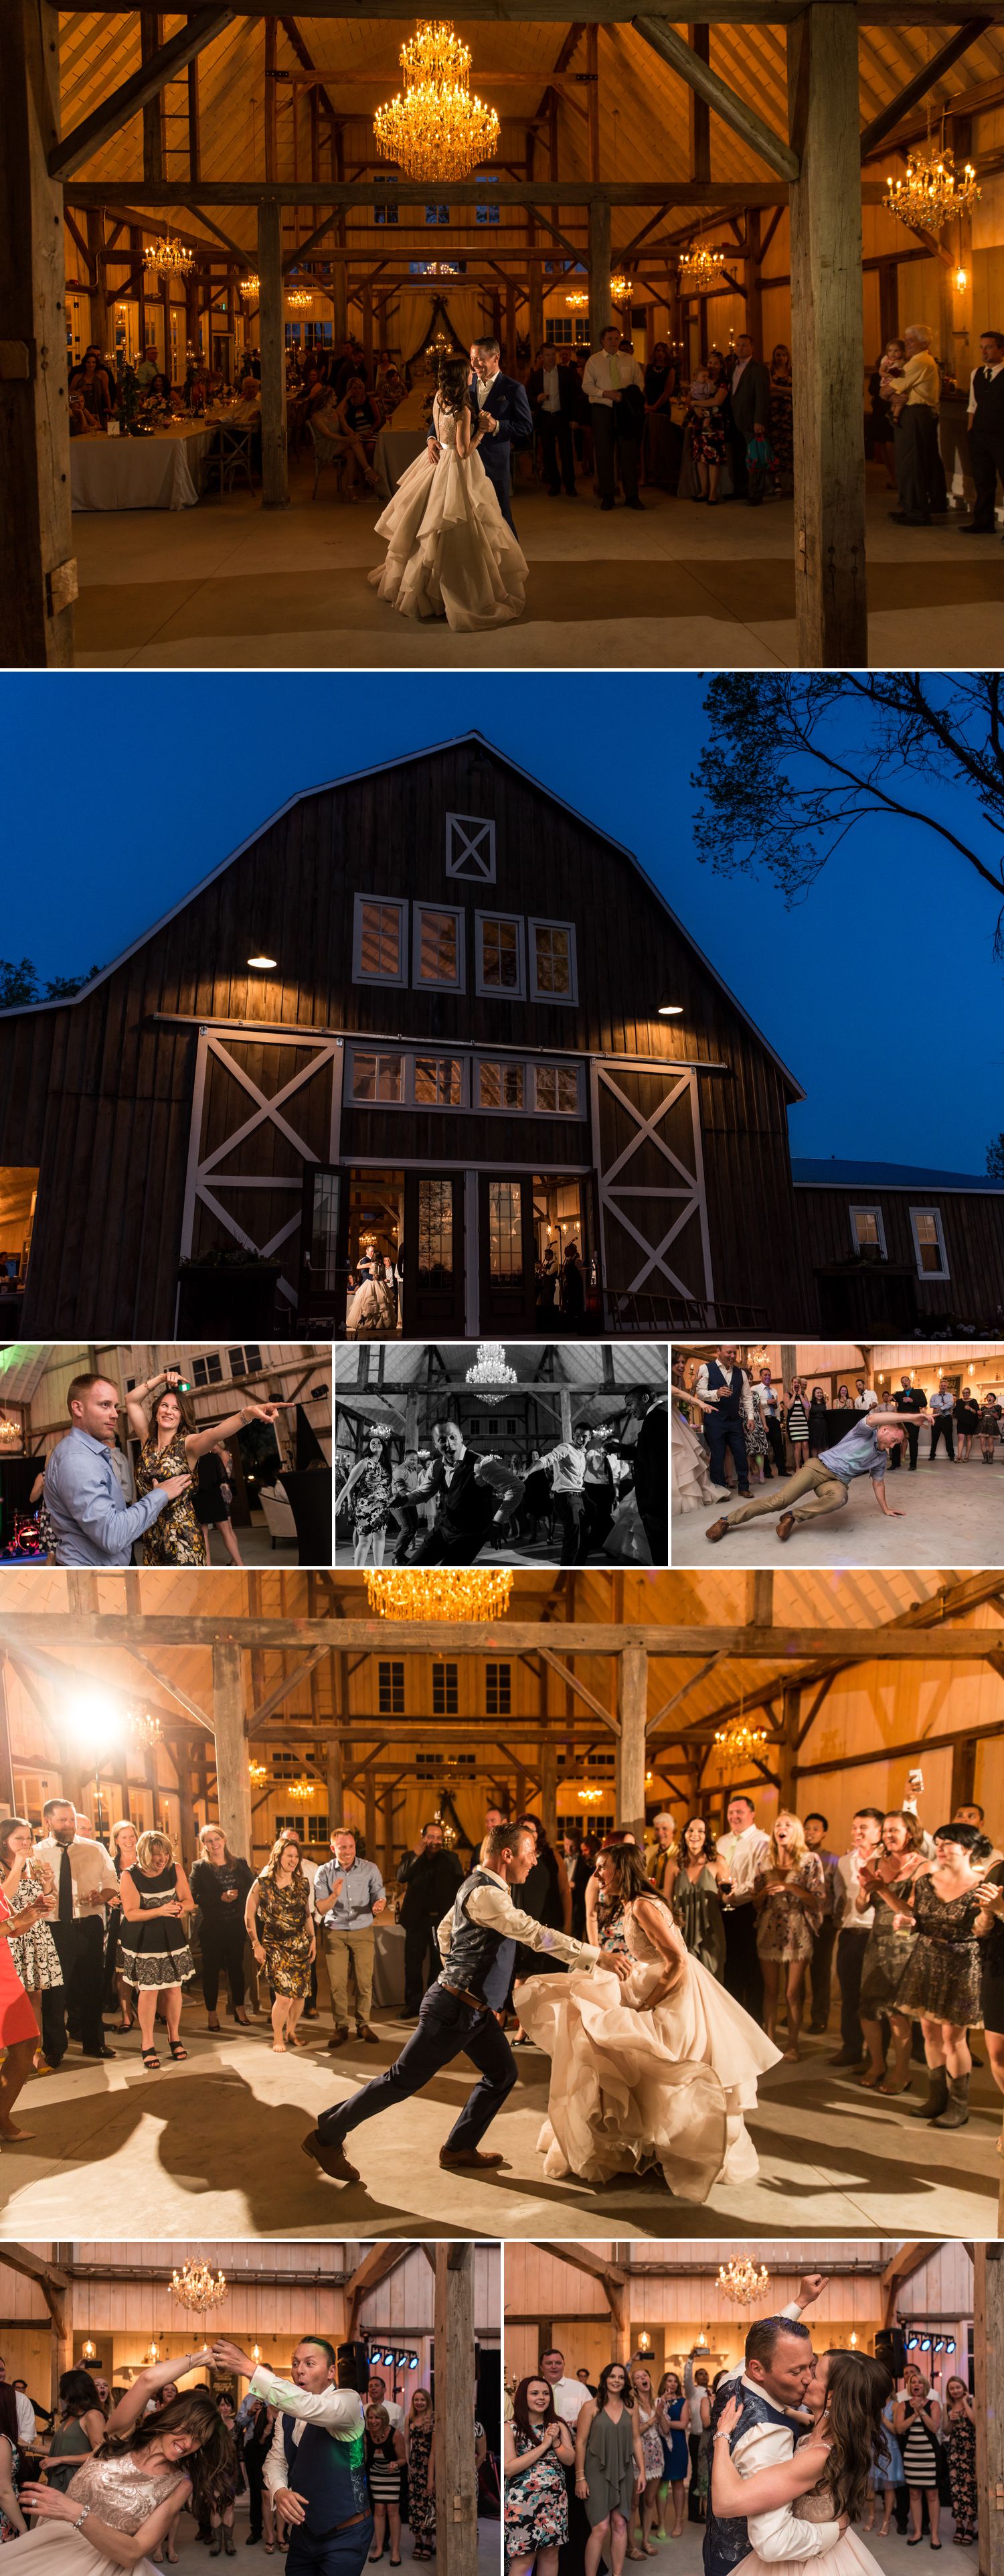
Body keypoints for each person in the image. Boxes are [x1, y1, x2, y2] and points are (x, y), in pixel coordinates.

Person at [301, 1819, 629, 2184]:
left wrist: (462, 1975)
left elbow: (444, 1931)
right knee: (401, 2081)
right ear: (508, 1854)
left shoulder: (478, 1885)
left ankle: (459, 2147)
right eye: (530, 1854)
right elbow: (535, 1934)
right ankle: (327, 2136)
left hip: (472, 2009)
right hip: (454, 2010)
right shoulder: (488, 1893)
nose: (534, 1862)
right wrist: (595, 1956)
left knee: (503, 2074)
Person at [515, 1837, 780, 2198]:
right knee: (604, 2033)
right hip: (650, 1978)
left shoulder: (642, 1906)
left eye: (602, 1867)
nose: (597, 1874)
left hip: (672, 1990)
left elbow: (677, 1961)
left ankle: (657, 2146)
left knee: (642, 2057)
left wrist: (649, 2005)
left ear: (620, 1870)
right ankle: (642, 2146)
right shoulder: (634, 1903)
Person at [9, 2349, 230, 2573]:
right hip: (52, 2542)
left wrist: (76, 2514)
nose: (188, 2443)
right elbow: (147, 2381)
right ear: (173, 2417)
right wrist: (200, 2359)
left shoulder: (180, 2485)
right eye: (188, 2430)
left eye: (198, 2439)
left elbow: (134, 2552)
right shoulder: (121, 2435)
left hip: (101, 2565)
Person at [370, 350, 527, 633]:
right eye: (469, 370)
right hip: (456, 466)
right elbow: (465, 451)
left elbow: (440, 428)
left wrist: (435, 441)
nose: (473, 372)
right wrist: (480, 429)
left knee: (429, 525)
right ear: (462, 377)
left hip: (438, 463)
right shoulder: (463, 410)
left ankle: (427, 589)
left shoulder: (439, 398)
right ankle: (460, 591)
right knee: (460, 524)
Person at [709, 2344, 892, 2576]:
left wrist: (722, 2436)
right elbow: (739, 2374)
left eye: (815, 2374)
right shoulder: (827, 2434)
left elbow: (726, 2502)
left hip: (806, 2563)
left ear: (831, 2398)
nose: (806, 2378)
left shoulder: (818, 2457)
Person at [210, 2336, 372, 2576]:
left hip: (346, 2533)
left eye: (309, 2364)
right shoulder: (287, 2415)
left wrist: (249, 2368)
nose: (299, 2371)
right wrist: (280, 2491)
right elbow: (276, 2460)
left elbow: (312, 2408)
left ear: (331, 2371)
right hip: (304, 2532)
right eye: (296, 2364)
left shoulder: (349, 2402)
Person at [872, 1818, 993, 2125]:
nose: (939, 1849)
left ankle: (958, 2105)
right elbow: (918, 1920)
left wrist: (990, 1914)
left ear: (967, 1849)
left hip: (962, 1964)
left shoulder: (982, 1888)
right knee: (929, 2033)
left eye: (947, 1844)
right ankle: (936, 2097)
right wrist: (909, 1924)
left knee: (954, 2038)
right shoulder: (926, 1881)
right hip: (926, 1960)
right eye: (937, 1844)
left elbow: (983, 1932)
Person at [704, 1405, 936, 1542]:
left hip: (836, 1483)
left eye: (897, 1444)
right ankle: (726, 1521)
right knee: (779, 1500)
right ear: (885, 1430)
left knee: (839, 1497)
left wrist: (886, 1508)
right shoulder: (864, 1432)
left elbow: (878, 1484)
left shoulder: (879, 1458)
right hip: (818, 1468)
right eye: (894, 1440)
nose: (894, 1446)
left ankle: (792, 1517)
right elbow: (874, 1417)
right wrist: (910, 1417)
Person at [127, 1369, 286, 1569]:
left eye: (176, 1408)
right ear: (157, 1414)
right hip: (152, 1537)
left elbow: (215, 1433)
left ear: (182, 1417)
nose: (169, 1411)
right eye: (165, 1406)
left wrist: (248, 1414)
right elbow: (131, 1401)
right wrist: (161, 1379)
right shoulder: (146, 1441)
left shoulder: (188, 1445)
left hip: (183, 1538)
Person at [43, 1373, 189, 1568]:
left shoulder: (91, 1451)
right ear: (78, 1408)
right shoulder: (77, 1460)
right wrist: (160, 1494)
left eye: (115, 1406)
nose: (115, 1414)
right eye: (105, 1405)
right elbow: (112, 1535)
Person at [35, 1797, 117, 2070]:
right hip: (54, 1928)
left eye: (71, 1819)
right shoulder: (36, 1854)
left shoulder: (95, 1849)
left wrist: (100, 1897)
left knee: (93, 1987)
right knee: (56, 1993)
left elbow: (111, 1884)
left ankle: (95, 2043)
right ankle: (55, 2049)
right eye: (62, 1820)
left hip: (90, 1926)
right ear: (48, 1821)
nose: (69, 1825)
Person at [854, 1809, 926, 2093]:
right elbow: (860, 1908)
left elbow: (910, 1911)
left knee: (899, 2013)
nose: (888, 1835)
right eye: (885, 1830)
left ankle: (902, 2071)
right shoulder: (874, 1862)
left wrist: (882, 1889)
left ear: (911, 1832)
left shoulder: (923, 1867)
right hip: (877, 1942)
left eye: (894, 1830)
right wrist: (863, 1891)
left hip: (906, 1945)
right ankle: (877, 2064)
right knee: (868, 2010)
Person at [118, 1828, 195, 2074]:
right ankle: (148, 2043)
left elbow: (189, 1901)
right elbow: (131, 1913)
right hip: (144, 1939)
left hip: (171, 1936)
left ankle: (175, 2037)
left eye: (165, 1853)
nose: (161, 1859)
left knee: (174, 1990)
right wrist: (160, 1910)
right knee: (149, 1992)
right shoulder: (129, 1876)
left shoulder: (175, 1870)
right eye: (155, 1854)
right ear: (143, 1853)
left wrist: (182, 1909)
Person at [752, 1815, 825, 2058]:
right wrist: (763, 1892)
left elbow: (818, 1900)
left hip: (797, 1930)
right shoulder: (764, 1862)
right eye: (778, 1826)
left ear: (796, 1831)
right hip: (769, 1929)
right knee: (769, 1990)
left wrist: (791, 1887)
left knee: (792, 1992)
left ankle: (793, 2045)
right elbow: (756, 1903)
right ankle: (769, 2045)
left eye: (787, 1825)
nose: (782, 1829)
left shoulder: (809, 1860)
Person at [313, 1828, 386, 2048]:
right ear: (333, 1848)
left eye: (351, 1847)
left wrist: (379, 1904)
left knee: (365, 1982)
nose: (347, 1851)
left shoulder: (369, 1869)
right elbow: (320, 1907)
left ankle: (363, 2024)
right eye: (342, 1847)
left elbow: (379, 1894)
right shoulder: (324, 1872)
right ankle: (341, 2027)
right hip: (335, 1932)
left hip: (363, 1931)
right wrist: (335, 1894)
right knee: (338, 1984)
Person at [574, 2365, 646, 2576]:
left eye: (621, 2377)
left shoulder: (630, 2407)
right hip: (596, 2472)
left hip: (624, 2471)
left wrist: (641, 2471)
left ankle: (617, 2574)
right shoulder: (590, 2407)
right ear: (604, 2379)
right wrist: (580, 2477)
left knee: (620, 2524)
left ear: (625, 2382)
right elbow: (580, 2443)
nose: (617, 2380)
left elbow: (635, 2439)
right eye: (612, 2376)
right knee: (600, 2527)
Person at [831, 1807, 886, 2069]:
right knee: (849, 1995)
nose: (857, 1832)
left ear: (879, 1831)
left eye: (864, 1827)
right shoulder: (845, 1861)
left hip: (878, 1934)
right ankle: (851, 2048)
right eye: (854, 1827)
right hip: (851, 1933)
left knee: (874, 1998)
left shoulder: (888, 1860)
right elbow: (842, 1898)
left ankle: (877, 2057)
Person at [0, 1817, 62, 2048]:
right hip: (9, 1935)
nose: (25, 1843)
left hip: (36, 1935)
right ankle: (7, 2047)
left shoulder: (33, 1863)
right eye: (19, 1838)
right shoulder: (9, 1865)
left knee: (35, 1995)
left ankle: (34, 2050)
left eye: (28, 1838)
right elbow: (3, 1897)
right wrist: (17, 1865)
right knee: (9, 1998)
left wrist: (48, 1884)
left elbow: (46, 1896)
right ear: (5, 1841)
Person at [505, 2374, 574, 2576]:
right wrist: (544, 2445)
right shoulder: (510, 2428)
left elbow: (570, 2460)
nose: (541, 2398)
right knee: (524, 2561)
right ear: (523, 2397)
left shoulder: (558, 2425)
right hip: (523, 2505)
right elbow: (509, 2468)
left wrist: (555, 2442)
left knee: (551, 2556)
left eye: (545, 2393)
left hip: (555, 2502)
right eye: (535, 2393)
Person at [189, 1823, 254, 2033]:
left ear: (224, 1840)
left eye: (217, 1839)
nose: (214, 1844)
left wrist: (237, 1899)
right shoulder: (200, 1867)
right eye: (209, 1841)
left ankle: (240, 2008)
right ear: (205, 1845)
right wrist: (219, 1898)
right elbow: (194, 1895)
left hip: (236, 1925)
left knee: (237, 1968)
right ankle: (211, 2012)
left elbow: (253, 1889)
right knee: (211, 1971)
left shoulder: (240, 1863)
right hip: (212, 1928)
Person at [396, 1823, 465, 2018]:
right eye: (431, 1837)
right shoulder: (410, 1856)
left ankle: (434, 2004)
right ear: (423, 1837)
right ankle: (413, 2004)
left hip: (442, 1923)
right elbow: (401, 1877)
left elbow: (460, 1887)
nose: (435, 1842)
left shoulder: (452, 1859)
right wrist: (416, 1855)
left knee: (438, 1965)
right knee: (413, 1965)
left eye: (439, 1838)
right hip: (416, 1921)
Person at [716, 1796, 770, 2018]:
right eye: (731, 1812)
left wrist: (733, 1897)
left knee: (751, 1970)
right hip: (722, 1911)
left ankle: (753, 2022)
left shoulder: (763, 1842)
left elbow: (760, 1880)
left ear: (752, 1813)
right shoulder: (722, 1841)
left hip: (749, 1911)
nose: (734, 1817)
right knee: (729, 1968)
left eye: (739, 1812)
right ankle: (732, 2021)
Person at [888, 325, 947, 526]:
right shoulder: (920, 361)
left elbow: (887, 390)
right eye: (906, 340)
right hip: (921, 414)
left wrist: (890, 394)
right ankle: (919, 506)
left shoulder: (919, 362)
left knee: (910, 463)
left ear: (925, 343)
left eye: (911, 340)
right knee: (924, 461)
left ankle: (915, 511)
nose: (907, 344)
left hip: (915, 415)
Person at [582, 325, 645, 513]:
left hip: (625, 411)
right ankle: (608, 495)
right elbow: (587, 386)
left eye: (616, 338)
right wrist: (605, 393)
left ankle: (632, 496)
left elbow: (639, 383)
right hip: (602, 410)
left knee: (628, 453)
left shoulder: (629, 360)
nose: (613, 342)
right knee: (604, 454)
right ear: (602, 341)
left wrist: (626, 396)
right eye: (610, 339)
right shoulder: (594, 361)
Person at [667, 1817, 727, 1981]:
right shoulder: (674, 1863)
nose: (695, 1835)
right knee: (685, 1982)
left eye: (701, 1831)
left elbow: (727, 1899)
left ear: (707, 1836)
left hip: (710, 1929)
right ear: (684, 1834)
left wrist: (729, 1893)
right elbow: (666, 1900)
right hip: (682, 1929)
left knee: (712, 1980)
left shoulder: (718, 1862)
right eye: (691, 1830)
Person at [692, 1351, 754, 1499]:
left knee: (740, 1452)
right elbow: (700, 1393)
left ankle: (744, 1487)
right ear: (719, 1352)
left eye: (734, 1353)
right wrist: (716, 1394)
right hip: (715, 1420)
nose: (733, 1356)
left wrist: (750, 1417)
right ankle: (720, 1491)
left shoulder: (741, 1374)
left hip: (735, 1420)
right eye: (729, 1352)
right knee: (718, 1456)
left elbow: (747, 1397)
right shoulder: (706, 1369)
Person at [960, 329, 1004, 536]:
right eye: (982, 347)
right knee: (983, 480)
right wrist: (971, 430)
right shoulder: (976, 373)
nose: (984, 352)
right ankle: (983, 522)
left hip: (1001, 435)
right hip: (979, 435)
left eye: (988, 347)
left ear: (1001, 350)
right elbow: (973, 404)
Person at [802, 1816, 839, 2034]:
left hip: (824, 1922)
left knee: (820, 1971)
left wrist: (835, 1919)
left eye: (816, 1829)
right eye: (807, 1828)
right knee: (795, 1971)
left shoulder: (832, 1859)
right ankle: (794, 2011)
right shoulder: (796, 1857)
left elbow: (838, 1892)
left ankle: (819, 2017)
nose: (810, 1833)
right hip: (798, 1922)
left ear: (824, 1833)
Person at [894, 2376, 942, 2545]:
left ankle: (935, 2535)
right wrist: (914, 2413)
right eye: (913, 2382)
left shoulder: (934, 2405)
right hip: (911, 2457)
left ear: (925, 2386)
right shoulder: (903, 2406)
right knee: (914, 2495)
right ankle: (918, 2532)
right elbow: (899, 2429)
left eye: (920, 2382)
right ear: (910, 2386)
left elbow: (935, 2427)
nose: (916, 2385)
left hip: (930, 2457)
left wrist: (922, 2411)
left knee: (932, 2495)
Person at [43, 2374, 106, 2494]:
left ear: (71, 2391)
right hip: (62, 2476)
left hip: (78, 2479)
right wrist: (29, 2447)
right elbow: (62, 2449)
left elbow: (99, 2454)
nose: (60, 2394)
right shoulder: (71, 2415)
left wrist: (60, 2460)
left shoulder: (93, 2415)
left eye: (62, 2388)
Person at [528, 347, 577, 497]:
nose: (550, 358)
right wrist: (537, 398)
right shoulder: (536, 376)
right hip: (545, 417)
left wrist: (575, 418)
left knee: (567, 452)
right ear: (542, 357)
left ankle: (570, 485)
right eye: (547, 355)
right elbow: (527, 396)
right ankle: (555, 484)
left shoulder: (566, 373)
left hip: (562, 416)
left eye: (552, 355)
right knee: (548, 453)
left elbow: (575, 396)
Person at [728, 335, 772, 504]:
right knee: (739, 457)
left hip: (751, 420)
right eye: (738, 345)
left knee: (755, 457)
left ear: (752, 348)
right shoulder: (732, 367)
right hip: (735, 419)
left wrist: (759, 420)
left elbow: (763, 396)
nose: (740, 348)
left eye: (744, 346)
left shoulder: (758, 369)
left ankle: (756, 494)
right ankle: (740, 489)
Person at [629, 2367, 664, 2555]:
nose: (643, 2378)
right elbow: (635, 2432)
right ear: (634, 2383)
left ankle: (645, 2542)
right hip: (638, 2457)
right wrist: (654, 2419)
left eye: (645, 2375)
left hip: (657, 2456)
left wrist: (662, 2413)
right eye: (638, 2377)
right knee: (634, 2503)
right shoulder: (632, 2403)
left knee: (650, 2501)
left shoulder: (657, 2401)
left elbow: (665, 2430)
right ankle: (631, 2546)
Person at [686, 354, 729, 504]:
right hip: (699, 421)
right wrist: (693, 404)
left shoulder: (722, 382)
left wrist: (696, 404)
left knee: (713, 458)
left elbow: (717, 400)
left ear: (721, 366)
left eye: (716, 364)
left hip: (714, 423)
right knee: (700, 457)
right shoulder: (699, 380)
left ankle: (713, 493)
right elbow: (689, 397)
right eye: (710, 362)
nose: (712, 366)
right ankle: (703, 490)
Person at [365, 2406, 404, 2563]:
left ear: (384, 2419)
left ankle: (395, 2551)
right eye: (370, 2418)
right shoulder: (367, 2436)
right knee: (379, 2510)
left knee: (392, 2511)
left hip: (392, 2477)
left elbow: (403, 2459)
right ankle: (379, 2548)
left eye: (377, 2418)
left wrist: (396, 2464)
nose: (373, 2421)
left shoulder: (395, 2435)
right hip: (376, 2476)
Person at [941, 2377, 976, 2546]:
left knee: (970, 2490)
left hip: (970, 2453)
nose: (955, 2391)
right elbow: (946, 2431)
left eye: (958, 2387)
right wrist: (952, 2419)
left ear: (963, 2387)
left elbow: (976, 2422)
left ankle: (970, 2526)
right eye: (952, 2388)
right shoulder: (947, 2406)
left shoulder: (972, 2401)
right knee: (956, 2490)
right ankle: (959, 2526)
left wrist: (965, 2403)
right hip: (955, 2453)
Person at [655, 2374, 687, 2543]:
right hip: (660, 2445)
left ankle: (678, 2522)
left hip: (678, 2445)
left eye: (675, 2381)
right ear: (664, 2382)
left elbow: (683, 2424)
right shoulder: (657, 2401)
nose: (673, 2384)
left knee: (678, 2483)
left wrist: (664, 2422)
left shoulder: (683, 2401)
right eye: (669, 2381)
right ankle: (660, 2523)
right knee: (661, 2484)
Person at [405, 2390, 436, 2561]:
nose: (419, 2402)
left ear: (427, 2401)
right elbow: (406, 2442)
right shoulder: (409, 2418)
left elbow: (435, 2447)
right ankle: (418, 2540)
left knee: (428, 2503)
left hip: (429, 2466)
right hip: (415, 2467)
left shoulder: (433, 2418)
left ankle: (429, 2541)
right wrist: (408, 2465)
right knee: (414, 2504)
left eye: (422, 2399)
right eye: (416, 2399)